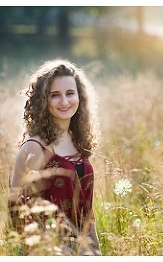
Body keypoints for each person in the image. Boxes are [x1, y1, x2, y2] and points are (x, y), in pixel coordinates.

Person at [8, 59, 101, 256]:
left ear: (79, 96)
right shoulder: (34, 147)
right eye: (55, 95)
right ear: (43, 101)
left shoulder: (79, 141)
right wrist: (54, 249)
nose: (65, 102)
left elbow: (86, 211)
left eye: (70, 93)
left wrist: (93, 250)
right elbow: (16, 210)